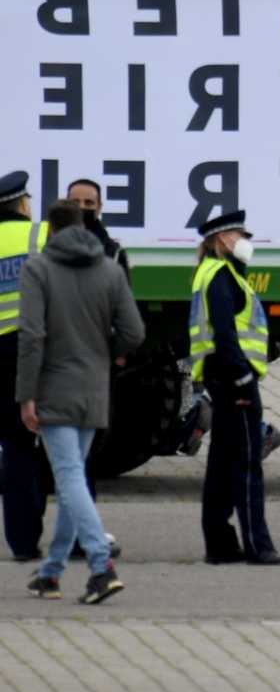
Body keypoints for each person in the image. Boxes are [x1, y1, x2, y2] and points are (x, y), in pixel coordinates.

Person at [17, 198, 145, 603]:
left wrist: (26, 395)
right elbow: (135, 331)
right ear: (85, 226)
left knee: (69, 478)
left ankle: (101, 566)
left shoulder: (38, 269)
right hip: (95, 388)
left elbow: (32, 337)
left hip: (55, 388)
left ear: (50, 230)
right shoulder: (109, 268)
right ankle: (52, 572)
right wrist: (111, 353)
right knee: (74, 480)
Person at [190, 208, 280, 567]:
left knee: (221, 463)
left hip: (221, 377)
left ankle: (220, 543)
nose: (245, 242)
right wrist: (243, 377)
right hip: (234, 381)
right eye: (238, 236)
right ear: (219, 240)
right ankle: (258, 546)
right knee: (247, 464)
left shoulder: (214, 273)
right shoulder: (220, 277)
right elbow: (225, 333)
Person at [0, 171, 52, 564]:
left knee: (14, 447)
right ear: (22, 204)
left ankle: (21, 541)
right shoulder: (42, 235)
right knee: (48, 443)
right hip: (34, 349)